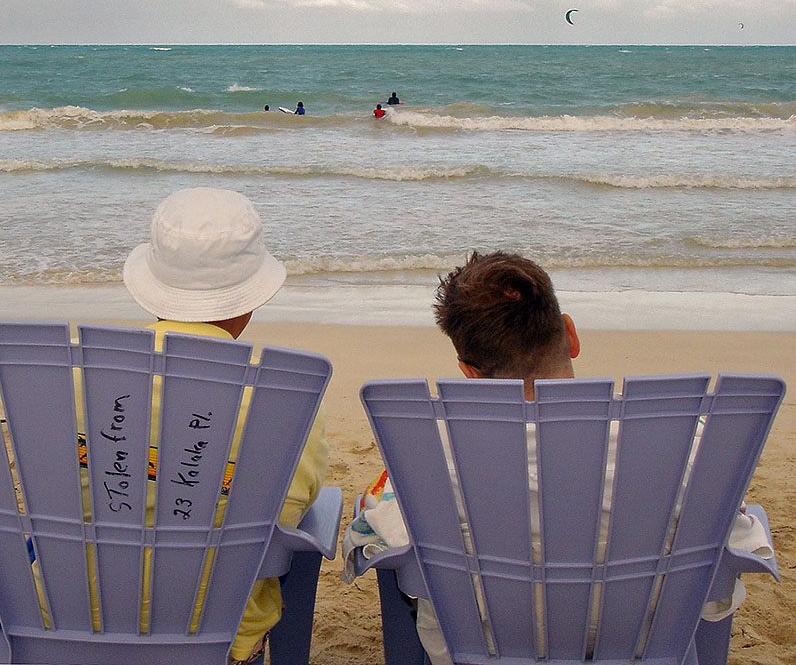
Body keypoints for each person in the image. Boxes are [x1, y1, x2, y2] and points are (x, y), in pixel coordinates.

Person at [342, 250, 770, 665]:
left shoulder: (429, 456)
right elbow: (727, 550)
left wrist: (370, 510)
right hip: (642, 643)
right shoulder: (682, 447)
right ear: (570, 334)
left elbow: (386, 536)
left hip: (486, 648)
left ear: (468, 371)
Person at [121, 188, 328, 664]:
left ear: (152, 285)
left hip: (70, 627)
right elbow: (290, 514)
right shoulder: (284, 399)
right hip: (221, 639)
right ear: (248, 300)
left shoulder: (71, 378)